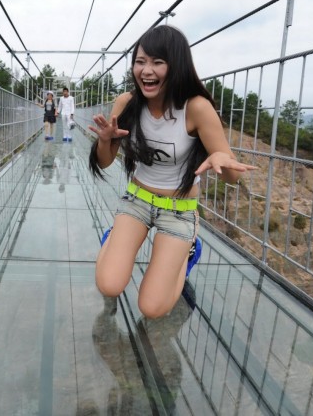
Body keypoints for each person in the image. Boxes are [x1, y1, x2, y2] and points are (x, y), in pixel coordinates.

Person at [88, 25, 256, 319]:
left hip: (179, 210)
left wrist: (220, 156)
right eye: (140, 62)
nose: (146, 71)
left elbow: (233, 177)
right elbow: (104, 162)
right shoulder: (127, 102)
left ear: (176, 65)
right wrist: (105, 141)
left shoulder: (197, 108)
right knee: (109, 285)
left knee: (152, 308)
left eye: (157, 62)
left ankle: (188, 252)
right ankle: (114, 237)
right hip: (136, 201)